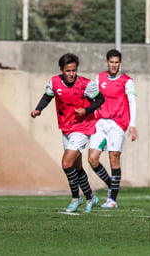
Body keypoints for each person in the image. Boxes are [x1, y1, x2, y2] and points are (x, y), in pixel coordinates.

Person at [31, 53, 104, 213]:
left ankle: (75, 198)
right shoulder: (54, 82)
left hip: (82, 128)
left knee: (66, 163)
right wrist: (38, 109)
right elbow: (47, 97)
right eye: (68, 71)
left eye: (74, 70)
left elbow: (100, 100)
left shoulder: (86, 84)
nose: (71, 74)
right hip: (66, 128)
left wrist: (86, 110)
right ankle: (91, 197)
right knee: (77, 167)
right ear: (62, 70)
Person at [88, 49, 138, 209]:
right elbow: (92, 98)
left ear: (120, 63)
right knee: (92, 159)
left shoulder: (126, 81)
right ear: (107, 62)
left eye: (117, 62)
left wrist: (133, 124)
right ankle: (112, 184)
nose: (114, 65)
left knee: (113, 157)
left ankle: (112, 200)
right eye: (111, 62)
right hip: (100, 122)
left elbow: (132, 102)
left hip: (117, 123)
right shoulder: (100, 78)